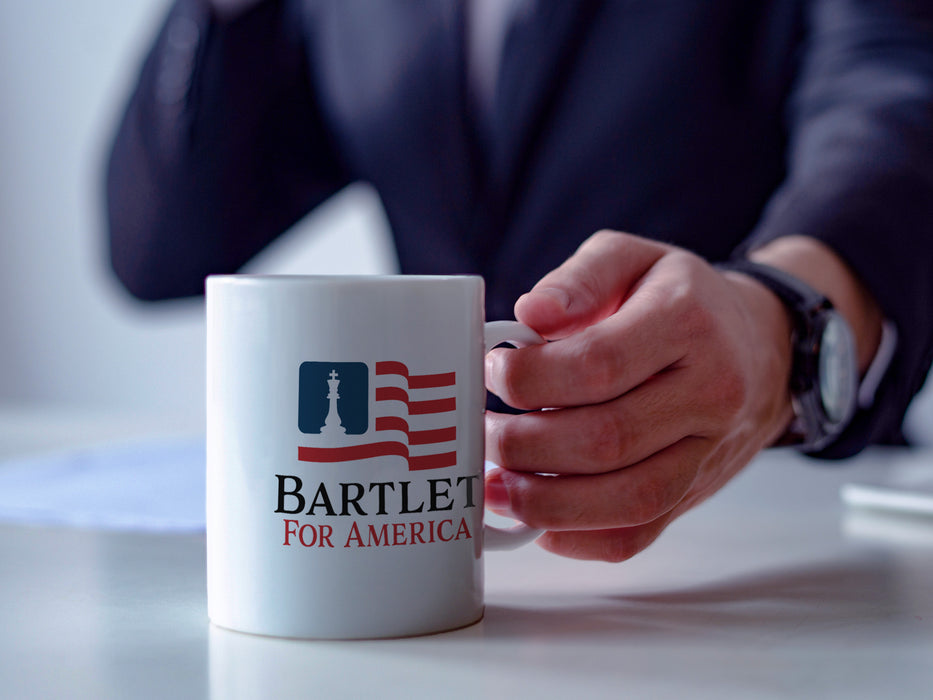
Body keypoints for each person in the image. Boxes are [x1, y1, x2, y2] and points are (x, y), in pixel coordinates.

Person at [106, 0, 933, 562]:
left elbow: (893, 102)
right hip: (429, 547)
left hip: (784, 540)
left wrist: (777, 325)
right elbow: (158, 254)